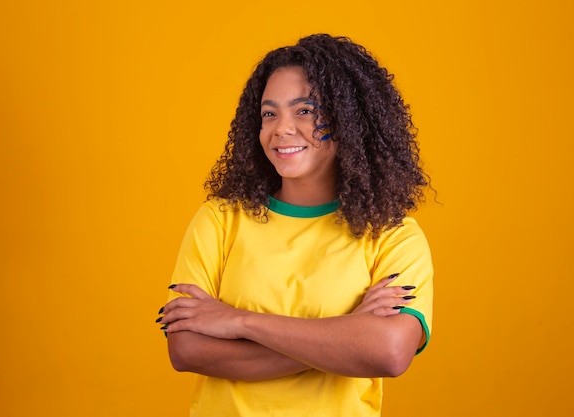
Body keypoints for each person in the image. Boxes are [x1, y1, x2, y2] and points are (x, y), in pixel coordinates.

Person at [156, 33, 433, 417]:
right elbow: (186, 349)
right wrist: (347, 333)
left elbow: (388, 353)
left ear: (350, 118)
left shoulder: (391, 234)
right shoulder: (220, 219)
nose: (281, 129)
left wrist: (238, 321)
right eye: (269, 114)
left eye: (304, 111)